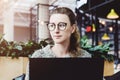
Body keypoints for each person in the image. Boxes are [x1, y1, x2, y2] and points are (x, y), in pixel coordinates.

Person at [25, 7, 91, 80]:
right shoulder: (38, 57)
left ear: (72, 28)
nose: (56, 30)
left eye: (61, 25)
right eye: (52, 25)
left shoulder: (84, 57)